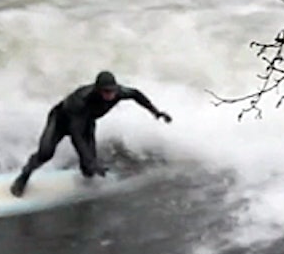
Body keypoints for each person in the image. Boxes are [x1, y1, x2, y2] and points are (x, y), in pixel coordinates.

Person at [11, 70, 172, 197]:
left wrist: (156, 112)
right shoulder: (81, 100)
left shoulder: (119, 92)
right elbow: (76, 136)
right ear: (98, 89)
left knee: (88, 169)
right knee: (46, 153)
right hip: (61, 121)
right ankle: (23, 177)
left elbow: (137, 95)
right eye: (106, 91)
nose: (110, 95)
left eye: (112, 91)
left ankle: (87, 179)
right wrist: (91, 160)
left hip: (86, 123)